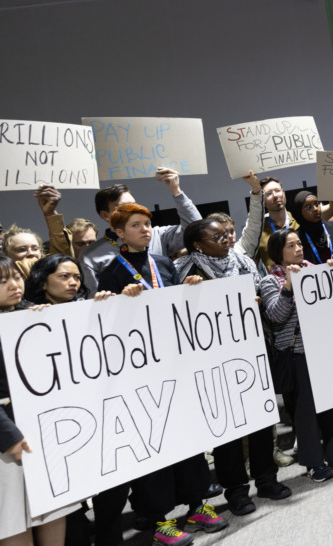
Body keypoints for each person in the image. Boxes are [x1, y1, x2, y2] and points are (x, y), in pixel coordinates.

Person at [93, 203, 226, 546]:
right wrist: (119, 300)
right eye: (136, 225)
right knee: (152, 450)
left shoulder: (164, 264)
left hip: (176, 367)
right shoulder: (110, 272)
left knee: (190, 441)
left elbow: (177, 311)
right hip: (139, 376)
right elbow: (105, 324)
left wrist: (191, 287)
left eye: (147, 224)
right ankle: (159, 522)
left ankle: (198, 506)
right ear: (119, 232)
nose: (145, 230)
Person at [172, 218, 291, 515]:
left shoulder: (244, 263)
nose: (226, 239)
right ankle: (236, 490)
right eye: (217, 236)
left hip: (251, 349)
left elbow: (265, 298)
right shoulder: (184, 271)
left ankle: (266, 480)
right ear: (197, 244)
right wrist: (188, 293)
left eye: (227, 234)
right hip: (212, 360)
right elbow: (176, 314)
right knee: (227, 428)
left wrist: (259, 300)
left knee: (261, 419)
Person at [260, 230, 333, 480]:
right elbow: (276, 316)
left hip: (323, 349)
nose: (299, 248)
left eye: (300, 243)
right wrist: (289, 286)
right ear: (279, 252)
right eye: (291, 245)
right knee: (306, 411)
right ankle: (314, 463)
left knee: (332, 405)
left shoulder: (316, 269)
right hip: (297, 353)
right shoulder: (270, 281)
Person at [1, 256, 78, 546]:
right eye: (2, 281)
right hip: (8, 436)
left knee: (52, 510)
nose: (14, 285)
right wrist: (8, 436)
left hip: (38, 426)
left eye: (16, 278)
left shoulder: (29, 315)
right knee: (13, 519)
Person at [79, 168, 199, 296]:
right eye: (123, 207)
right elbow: (95, 299)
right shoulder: (91, 255)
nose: (132, 210)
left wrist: (176, 191)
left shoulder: (155, 235)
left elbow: (196, 229)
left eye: (133, 204)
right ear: (105, 215)